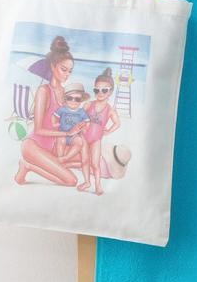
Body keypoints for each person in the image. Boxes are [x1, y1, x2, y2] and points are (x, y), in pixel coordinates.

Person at [15, 36, 84, 187]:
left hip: (54, 147)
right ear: (53, 67)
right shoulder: (44, 91)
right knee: (71, 181)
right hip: (34, 146)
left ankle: (54, 163)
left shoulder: (66, 94)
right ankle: (27, 166)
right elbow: (38, 129)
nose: (67, 74)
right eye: (63, 69)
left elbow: (64, 122)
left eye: (70, 71)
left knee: (85, 158)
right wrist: (67, 133)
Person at [82, 68, 120, 195]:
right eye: (96, 90)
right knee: (84, 161)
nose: (100, 93)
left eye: (104, 90)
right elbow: (79, 117)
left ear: (110, 92)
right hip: (83, 137)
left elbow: (117, 123)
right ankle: (87, 182)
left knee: (95, 163)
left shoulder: (109, 110)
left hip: (96, 140)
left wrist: (108, 131)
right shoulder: (88, 105)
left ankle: (98, 185)